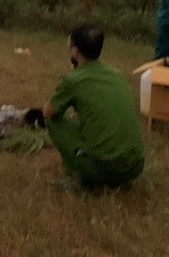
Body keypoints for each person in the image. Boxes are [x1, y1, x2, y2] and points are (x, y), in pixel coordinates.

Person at [42, 24, 145, 191]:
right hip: (135, 167)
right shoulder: (117, 75)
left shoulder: (73, 80)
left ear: (75, 51)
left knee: (52, 121)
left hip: (103, 170)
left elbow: (48, 111)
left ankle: (79, 177)